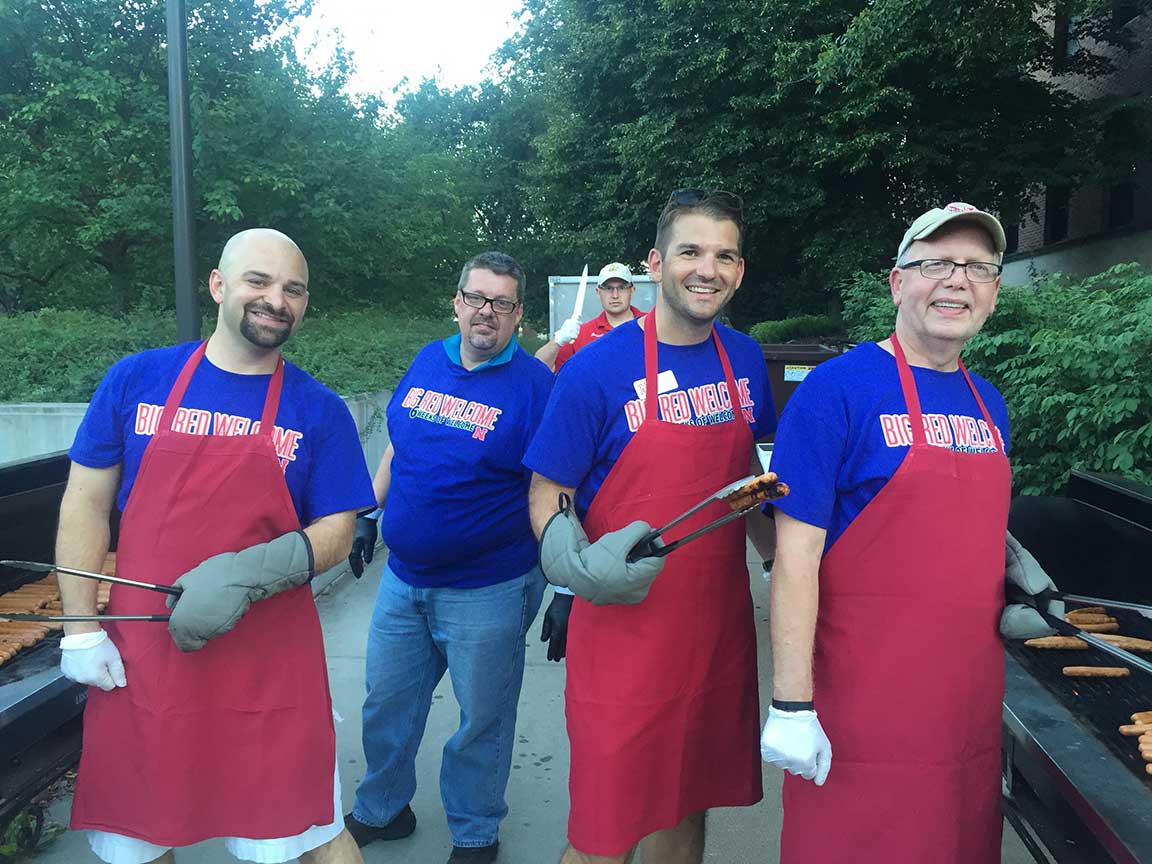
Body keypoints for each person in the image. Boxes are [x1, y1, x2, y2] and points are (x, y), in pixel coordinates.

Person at [56, 228, 375, 864]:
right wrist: (80, 629)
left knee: (309, 835)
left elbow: (338, 534)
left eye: (293, 289)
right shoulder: (137, 380)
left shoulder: (318, 409)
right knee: (139, 837)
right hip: (146, 657)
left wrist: (244, 575)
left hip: (269, 661)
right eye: (259, 281)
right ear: (219, 285)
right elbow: (84, 504)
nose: (276, 299)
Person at [760, 202, 1052, 863]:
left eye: (978, 267)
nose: (957, 281)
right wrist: (791, 704)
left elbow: (959, 529)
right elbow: (797, 558)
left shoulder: (990, 403)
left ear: (995, 291)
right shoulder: (834, 392)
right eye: (936, 264)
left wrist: (1017, 574)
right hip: (859, 714)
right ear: (898, 283)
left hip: (965, 712)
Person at [525, 188, 778, 864]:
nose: (708, 268)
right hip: (624, 635)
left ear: (740, 270)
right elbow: (549, 489)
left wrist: (785, 562)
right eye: (691, 251)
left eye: (725, 255)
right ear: (656, 262)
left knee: (686, 804)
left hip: (716, 633)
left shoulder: (748, 360)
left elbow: (747, 475)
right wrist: (568, 564)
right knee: (606, 831)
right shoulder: (594, 371)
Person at [344, 252, 553, 864]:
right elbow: (396, 450)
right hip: (403, 579)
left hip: (489, 585)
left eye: (502, 303)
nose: (486, 311)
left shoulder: (536, 387)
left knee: (480, 720)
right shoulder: (427, 360)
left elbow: (555, 483)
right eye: (477, 297)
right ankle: (384, 808)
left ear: (518, 316)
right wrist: (366, 512)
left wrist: (565, 581)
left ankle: (475, 830)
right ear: (457, 301)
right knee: (387, 702)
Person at [534, 262, 643, 373]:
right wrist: (558, 340)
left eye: (622, 288)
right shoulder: (581, 334)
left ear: (632, 291)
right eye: (608, 288)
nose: (615, 295)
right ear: (598, 292)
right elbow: (538, 368)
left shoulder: (651, 324)